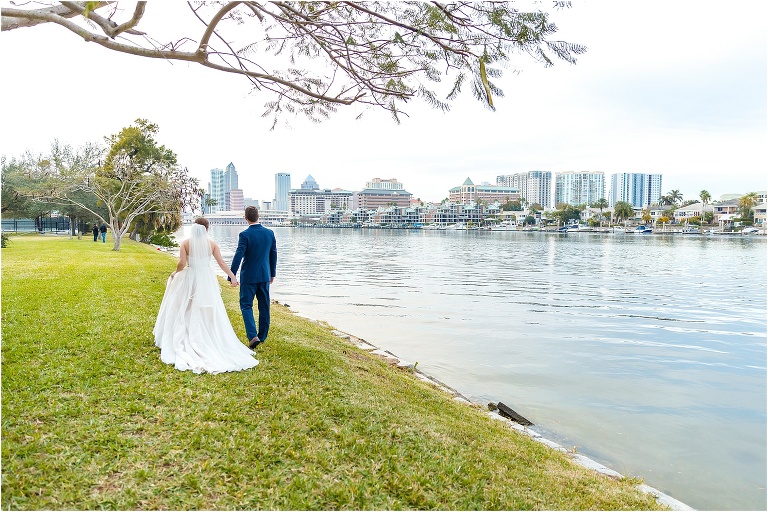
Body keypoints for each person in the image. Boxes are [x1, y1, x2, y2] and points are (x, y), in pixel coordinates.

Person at [153, 217, 259, 374]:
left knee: (186, 306)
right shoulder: (212, 244)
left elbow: (182, 263)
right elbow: (222, 263)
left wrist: (176, 272)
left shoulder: (186, 243)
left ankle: (189, 335)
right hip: (206, 278)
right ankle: (206, 335)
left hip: (191, 277)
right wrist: (233, 277)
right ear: (207, 229)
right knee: (208, 307)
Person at [229, 206, 277, 349]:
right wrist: (272, 273)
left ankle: (252, 336)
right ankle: (262, 336)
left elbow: (239, 255)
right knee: (264, 306)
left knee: (246, 305)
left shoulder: (244, 235)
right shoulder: (269, 233)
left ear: (246, 218)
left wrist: (232, 275)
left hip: (248, 276)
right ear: (258, 216)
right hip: (264, 275)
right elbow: (273, 254)